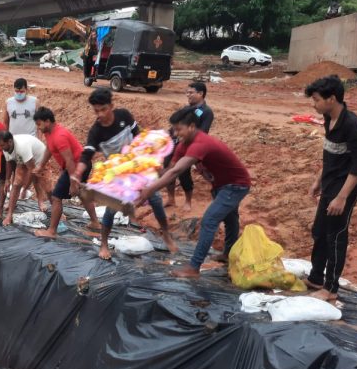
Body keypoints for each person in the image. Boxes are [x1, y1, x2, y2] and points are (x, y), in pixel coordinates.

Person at [136, 106, 251, 278]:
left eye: (179, 129)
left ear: (191, 127)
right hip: (220, 185)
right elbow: (170, 169)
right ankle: (227, 254)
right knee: (230, 219)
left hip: (235, 185)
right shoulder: (183, 145)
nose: (176, 134)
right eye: (174, 130)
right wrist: (146, 178)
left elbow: (176, 172)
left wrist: (149, 190)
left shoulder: (200, 143)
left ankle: (194, 267)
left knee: (209, 221)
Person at [75, 88, 177, 259]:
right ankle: (104, 244)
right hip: (118, 176)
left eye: (103, 109)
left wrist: (151, 157)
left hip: (138, 167)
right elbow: (87, 154)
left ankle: (166, 235)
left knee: (156, 200)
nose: (100, 114)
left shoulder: (124, 116)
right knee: (111, 210)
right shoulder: (96, 131)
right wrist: (78, 172)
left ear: (111, 106)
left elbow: (139, 136)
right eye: (96, 111)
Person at [304, 75, 357, 304]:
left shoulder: (352, 125)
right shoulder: (328, 118)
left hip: (346, 188)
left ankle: (330, 289)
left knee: (336, 236)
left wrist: (341, 198)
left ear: (331, 99)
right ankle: (315, 278)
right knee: (320, 231)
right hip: (330, 184)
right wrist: (318, 180)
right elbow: (331, 155)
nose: (314, 104)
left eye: (316, 100)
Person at [32, 107, 100, 238]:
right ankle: (95, 223)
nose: (38, 127)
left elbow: (69, 160)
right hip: (79, 165)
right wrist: (41, 166)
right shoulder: (49, 133)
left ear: (47, 121)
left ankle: (52, 231)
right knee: (82, 194)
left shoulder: (60, 136)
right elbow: (49, 149)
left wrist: (73, 183)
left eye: (39, 124)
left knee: (56, 197)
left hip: (77, 166)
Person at [165, 81, 215, 210]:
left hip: (188, 147)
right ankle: (171, 199)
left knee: (184, 173)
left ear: (201, 93)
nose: (188, 95)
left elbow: (203, 132)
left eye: (191, 92)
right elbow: (175, 125)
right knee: (168, 168)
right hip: (173, 144)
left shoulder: (206, 112)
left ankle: (188, 201)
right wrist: (168, 135)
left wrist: (188, 143)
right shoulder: (186, 109)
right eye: (187, 92)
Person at [0, 131, 50, 225]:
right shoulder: (5, 148)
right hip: (24, 157)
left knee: (39, 180)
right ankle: (9, 215)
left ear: (10, 142)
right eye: (0, 146)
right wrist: (7, 180)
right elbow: (8, 162)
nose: (1, 148)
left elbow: (32, 171)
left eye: (2, 145)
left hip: (39, 157)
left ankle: (41, 201)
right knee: (16, 184)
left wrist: (25, 189)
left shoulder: (22, 147)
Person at [3, 78, 39, 199]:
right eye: (17, 91)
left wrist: (39, 139)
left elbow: (39, 122)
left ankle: (25, 190)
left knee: (31, 169)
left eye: (21, 91)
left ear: (26, 89)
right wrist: (5, 138)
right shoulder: (8, 102)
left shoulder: (34, 102)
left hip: (30, 141)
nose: (19, 93)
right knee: (15, 169)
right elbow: (6, 122)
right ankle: (15, 194)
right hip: (14, 142)